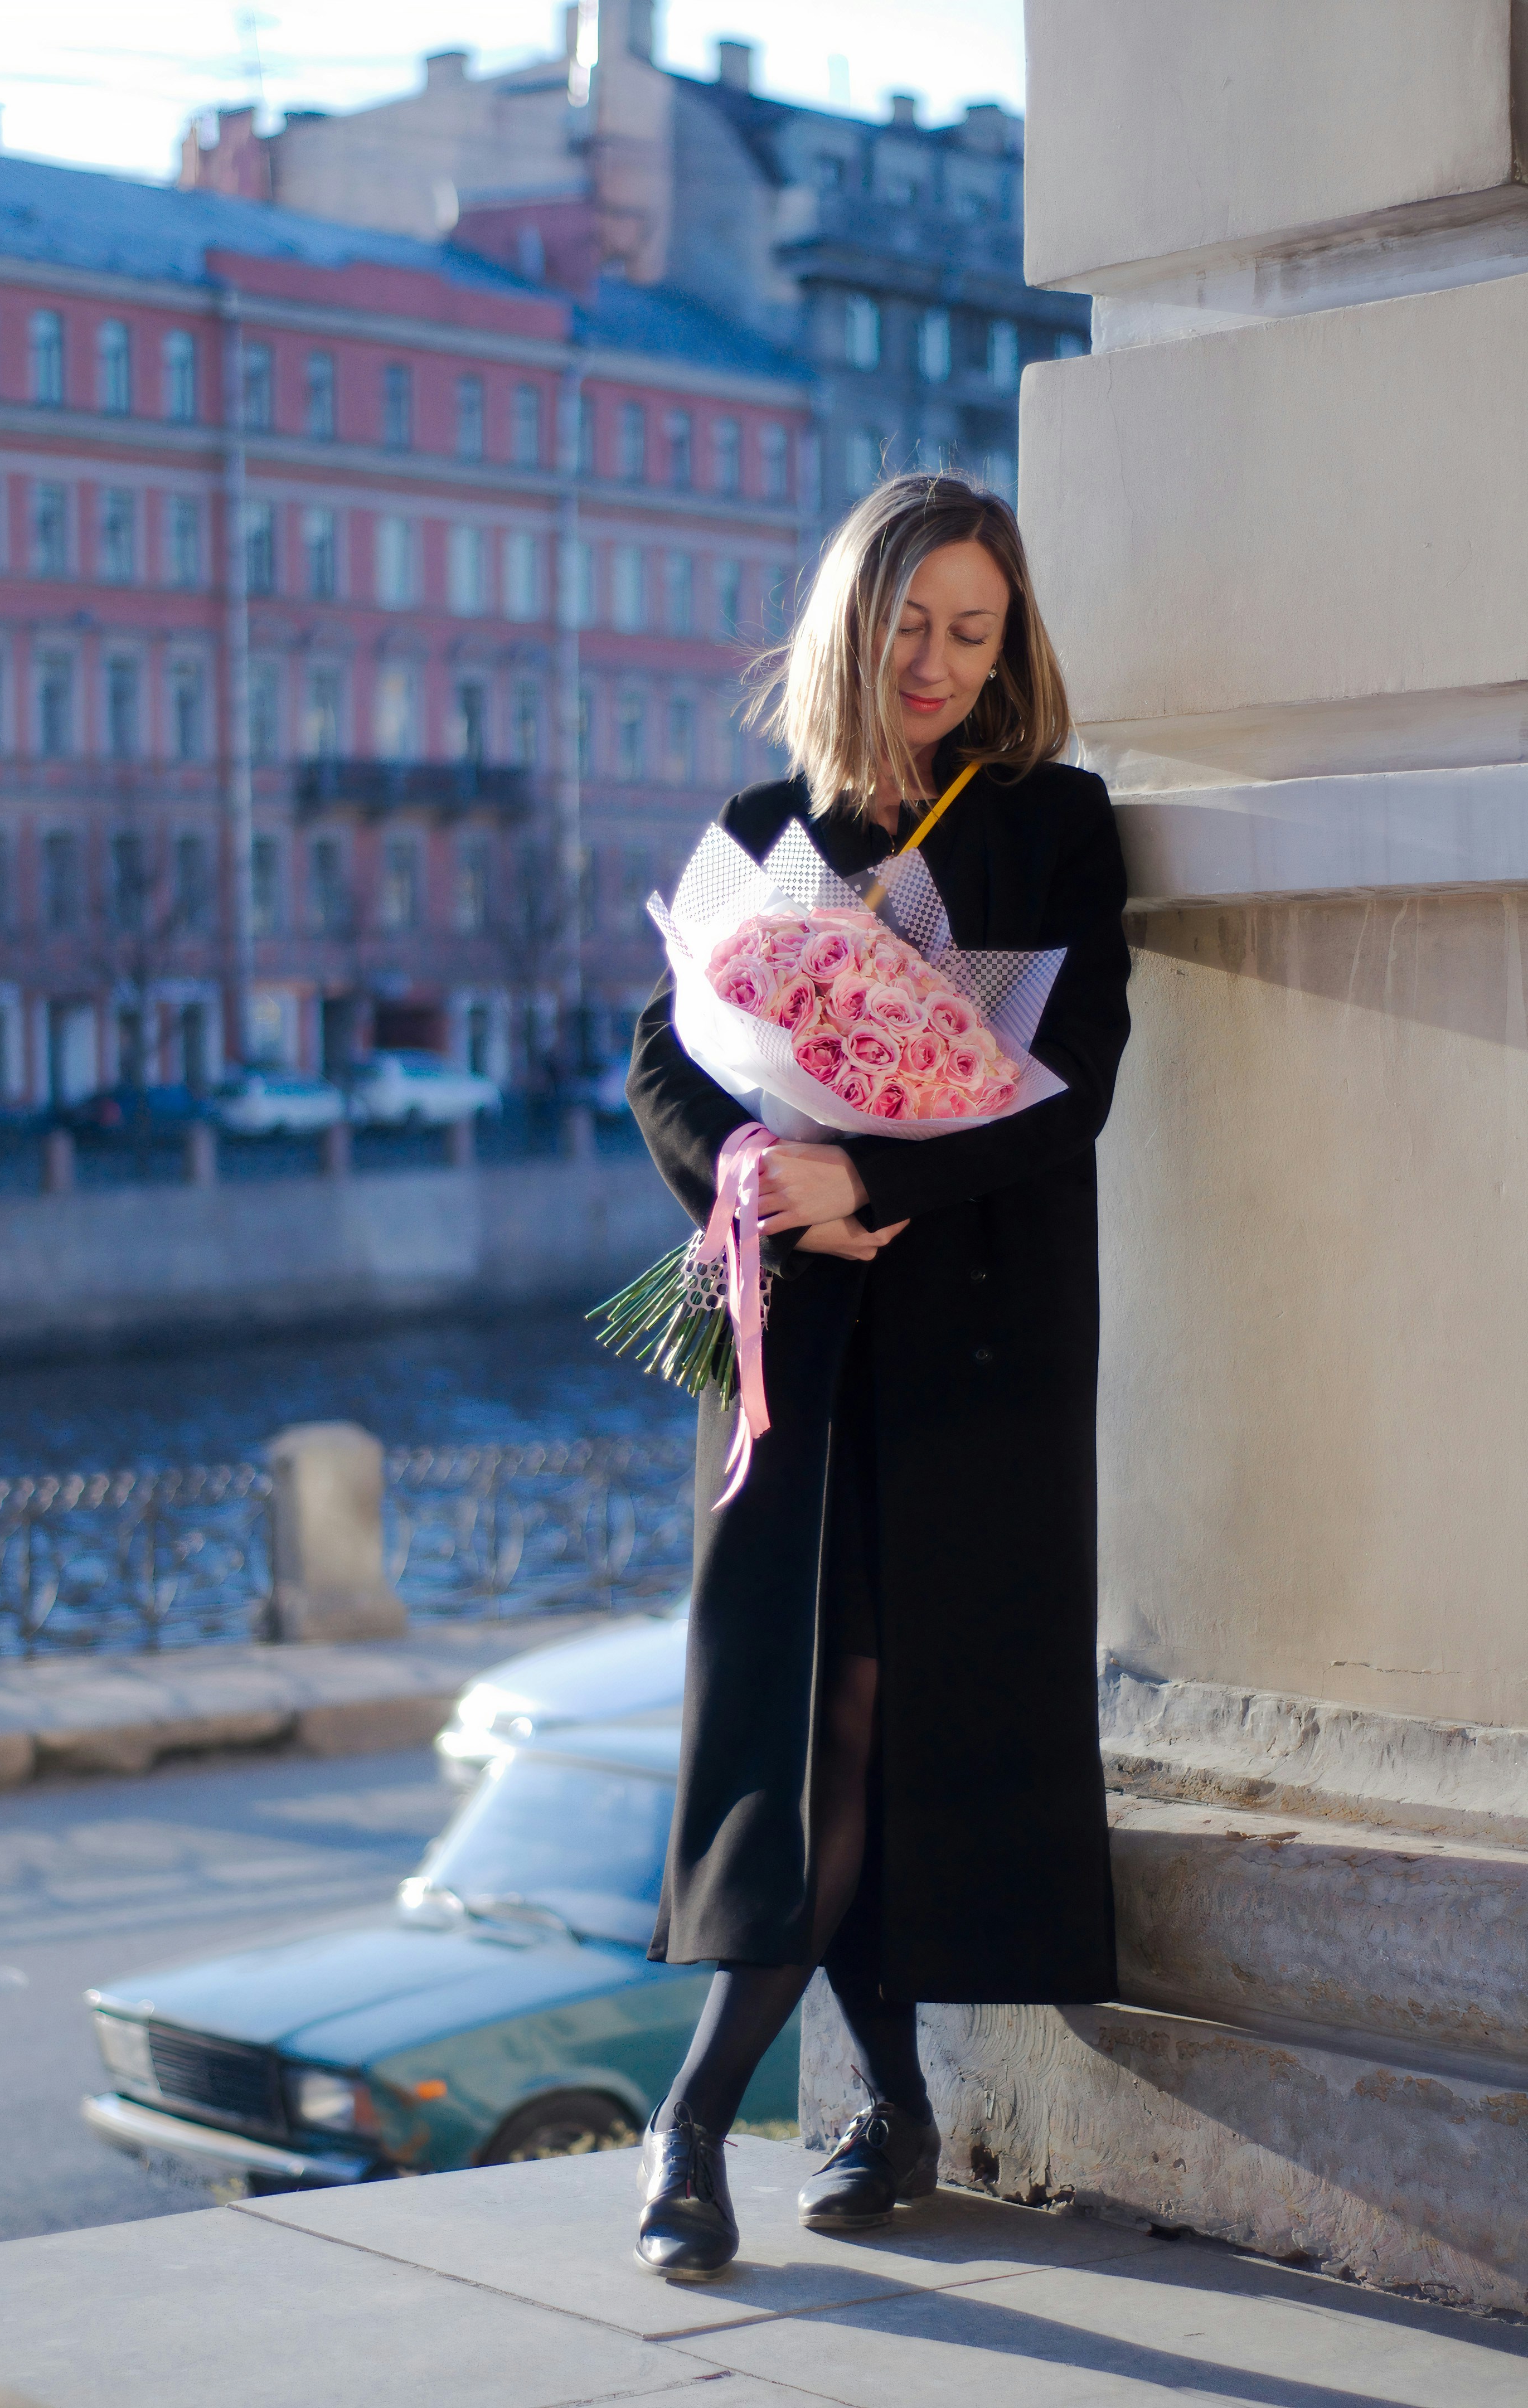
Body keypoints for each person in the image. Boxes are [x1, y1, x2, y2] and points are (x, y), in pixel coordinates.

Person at [624, 471, 1131, 2278]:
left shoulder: (1057, 823)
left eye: (971, 628)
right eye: (909, 621)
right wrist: (757, 1179)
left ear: (1010, 646)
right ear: (854, 620)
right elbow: (665, 1061)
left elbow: (1068, 1073)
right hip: (794, 1333)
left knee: (897, 1725)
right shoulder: (765, 822)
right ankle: (800, 2111)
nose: (935, 658)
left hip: (975, 1335)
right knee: (805, 1719)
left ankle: (769, 2117)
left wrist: (875, 1174)